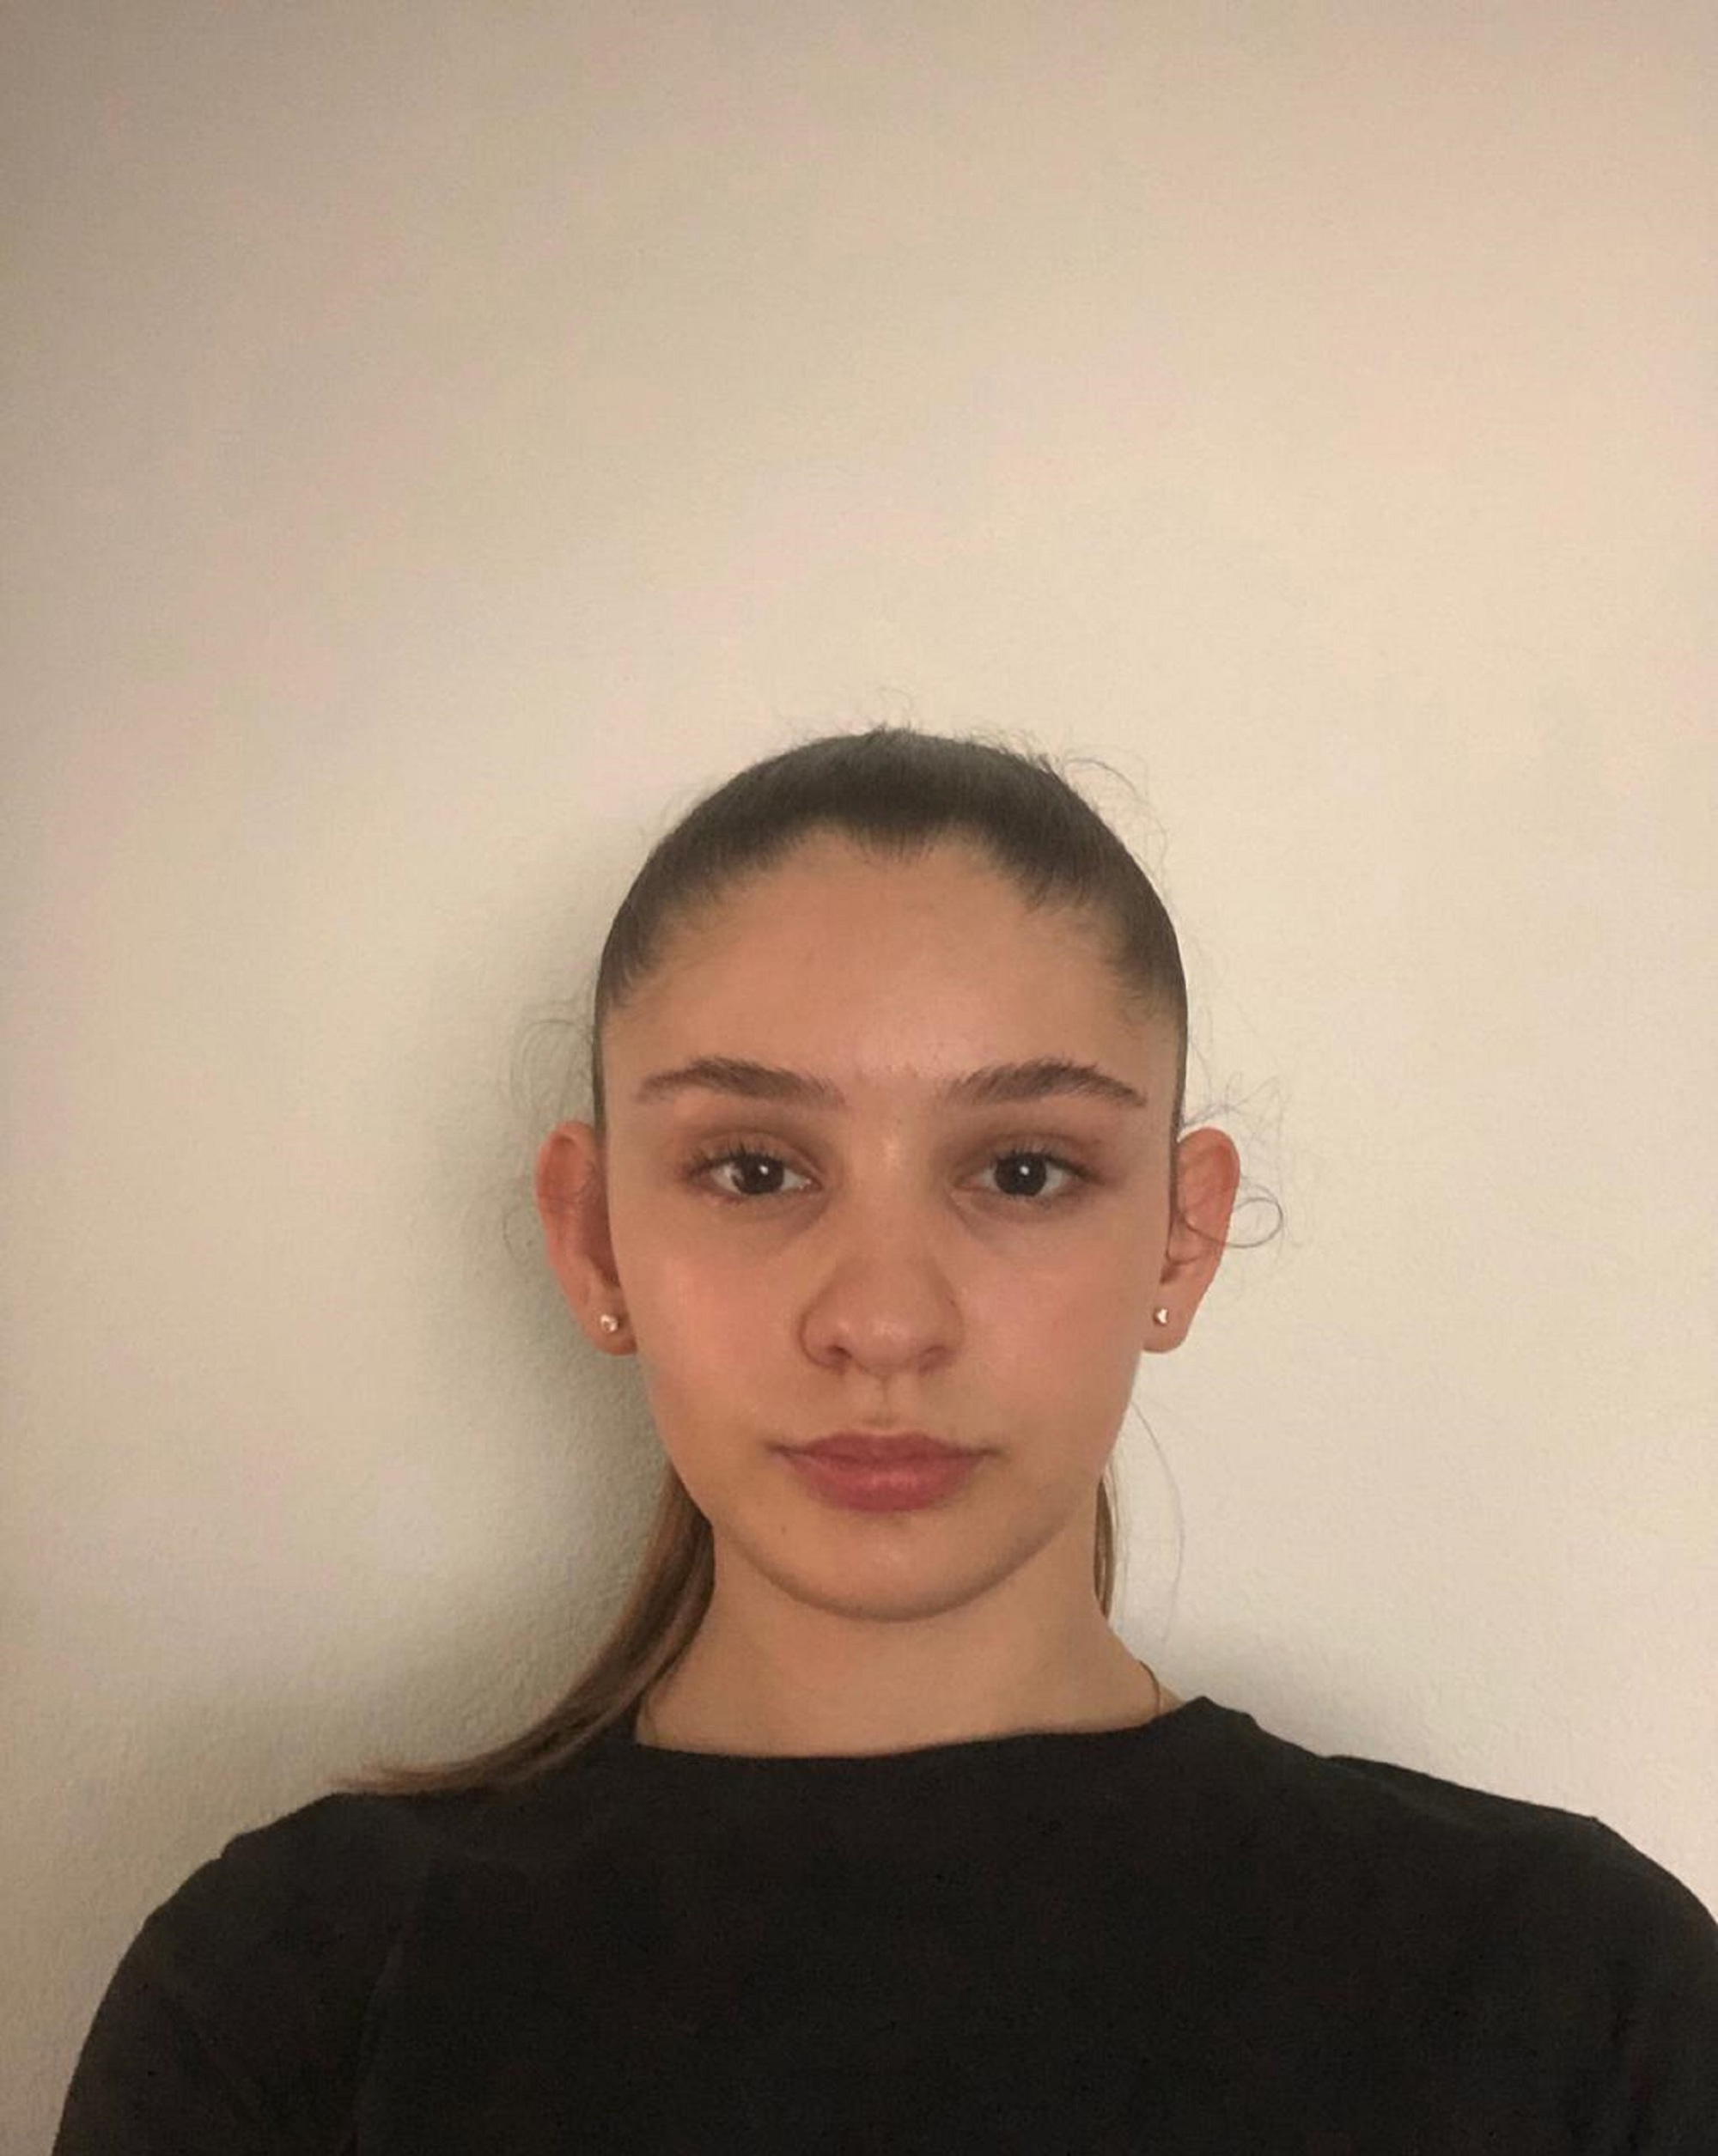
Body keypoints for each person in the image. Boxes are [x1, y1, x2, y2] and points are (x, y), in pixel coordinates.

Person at [52, 726, 1717, 2151]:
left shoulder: (1568, 1985)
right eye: (755, 1168)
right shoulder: (287, 1990)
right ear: (595, 1236)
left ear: (1179, 1234)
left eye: (1022, 1170)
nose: (881, 1320)